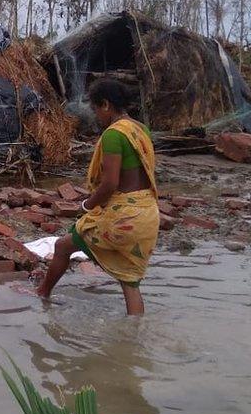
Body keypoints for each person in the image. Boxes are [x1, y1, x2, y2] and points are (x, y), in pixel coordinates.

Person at [36, 78, 159, 315]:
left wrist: (86, 204)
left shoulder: (114, 135)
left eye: (95, 109)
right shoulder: (140, 129)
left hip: (123, 216)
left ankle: (43, 293)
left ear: (105, 105)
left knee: (62, 246)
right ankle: (133, 337)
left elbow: (110, 183)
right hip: (147, 214)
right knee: (130, 281)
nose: (95, 116)